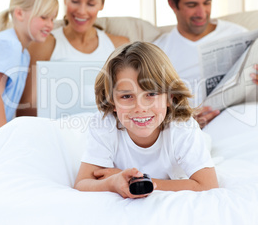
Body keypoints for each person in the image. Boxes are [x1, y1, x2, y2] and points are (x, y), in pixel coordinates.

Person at [74, 42, 218, 198]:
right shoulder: (105, 124)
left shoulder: (182, 128)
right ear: (112, 102)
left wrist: (140, 182)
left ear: (170, 97)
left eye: (151, 94)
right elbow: (82, 182)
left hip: (190, 142)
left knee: (204, 140)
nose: (140, 107)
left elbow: (208, 185)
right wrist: (112, 182)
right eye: (127, 96)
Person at [154, 0, 258, 127]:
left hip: (243, 120)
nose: (202, 13)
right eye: (192, 5)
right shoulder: (159, 51)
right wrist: (186, 121)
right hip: (193, 128)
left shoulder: (238, 34)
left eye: (207, 2)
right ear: (172, 4)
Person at [17, 0, 129, 116]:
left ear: (102, 4)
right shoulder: (44, 44)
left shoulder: (119, 45)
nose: (81, 11)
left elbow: (131, 96)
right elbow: (25, 108)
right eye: (75, 1)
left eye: (91, 4)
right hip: (58, 128)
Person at [0, 0, 58, 131]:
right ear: (19, 13)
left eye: (52, 19)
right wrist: (2, 140)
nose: (50, 25)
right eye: (44, 17)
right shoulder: (10, 44)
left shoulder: (24, 54)